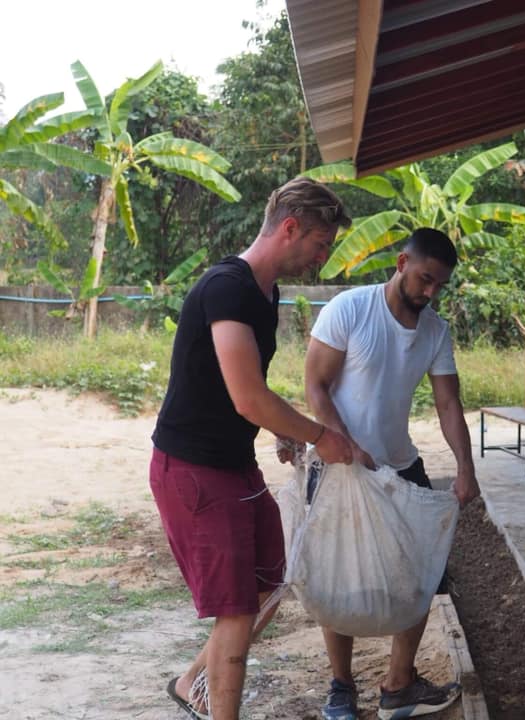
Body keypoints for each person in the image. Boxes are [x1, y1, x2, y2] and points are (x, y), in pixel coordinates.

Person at [150, 177, 355, 720]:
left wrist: (282, 430)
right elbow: (247, 395)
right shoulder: (228, 287)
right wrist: (320, 435)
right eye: (320, 244)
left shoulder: (266, 295)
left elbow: (242, 392)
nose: (322, 256)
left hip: (233, 465)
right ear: (290, 229)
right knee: (237, 608)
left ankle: (193, 678)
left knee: (271, 583)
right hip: (194, 469)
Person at [302, 228, 480, 720]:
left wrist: (465, 468)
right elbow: (315, 387)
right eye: (425, 279)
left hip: (401, 466)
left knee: (423, 574)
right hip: (338, 466)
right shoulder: (349, 309)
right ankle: (341, 687)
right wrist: (346, 445)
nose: (430, 293)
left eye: (439, 285)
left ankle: (399, 682)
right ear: (402, 262)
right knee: (337, 578)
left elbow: (448, 402)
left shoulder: (435, 331)